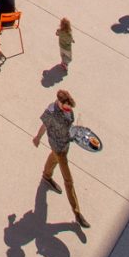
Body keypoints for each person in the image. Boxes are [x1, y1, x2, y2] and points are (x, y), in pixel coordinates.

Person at [31, 90, 90, 228]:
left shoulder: (68, 110)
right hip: (58, 146)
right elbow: (44, 125)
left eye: (70, 108)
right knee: (68, 181)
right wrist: (37, 138)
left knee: (53, 157)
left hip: (65, 143)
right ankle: (77, 213)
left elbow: (69, 124)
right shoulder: (51, 112)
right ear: (60, 102)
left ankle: (46, 176)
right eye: (66, 107)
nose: (69, 110)